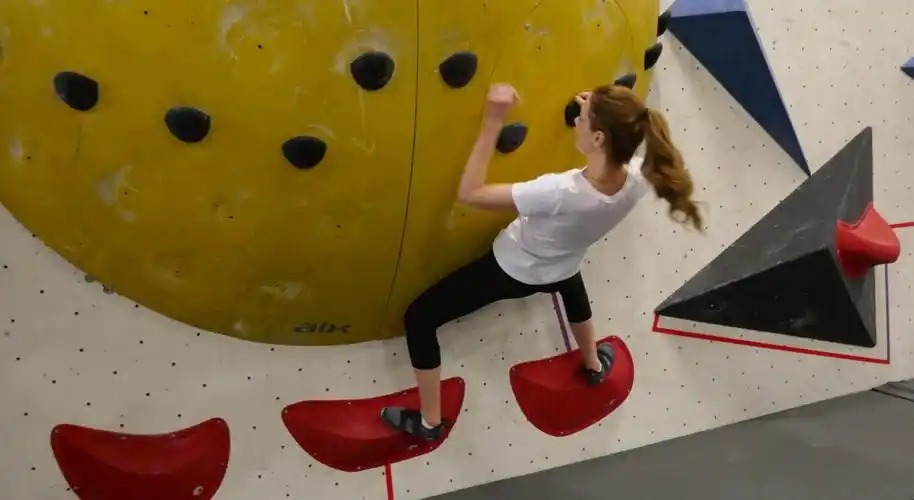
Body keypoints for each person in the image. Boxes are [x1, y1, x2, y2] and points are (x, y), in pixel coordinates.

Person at [380, 82, 703, 440]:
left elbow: (471, 193)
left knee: (419, 317)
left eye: (581, 118)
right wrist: (597, 111)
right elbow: (616, 146)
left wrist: (493, 120)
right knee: (572, 289)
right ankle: (594, 364)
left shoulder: (558, 192)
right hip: (564, 263)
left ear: (598, 138)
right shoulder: (641, 176)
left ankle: (429, 421)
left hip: (513, 270)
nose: (576, 119)